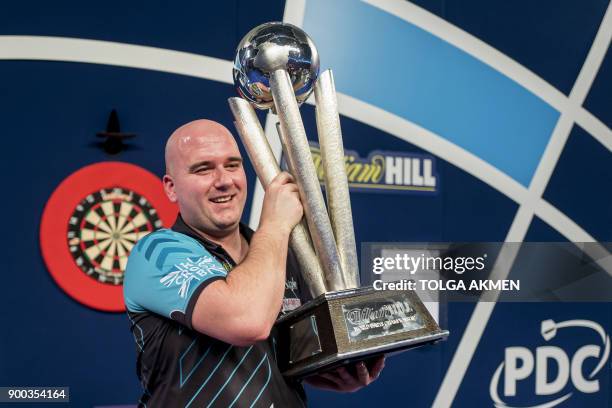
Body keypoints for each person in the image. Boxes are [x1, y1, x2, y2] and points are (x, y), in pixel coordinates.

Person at [123, 119, 384, 407]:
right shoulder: (157, 252)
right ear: (171, 188)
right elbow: (246, 322)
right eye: (203, 169)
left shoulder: (277, 251)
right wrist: (274, 224)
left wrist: (333, 367)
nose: (224, 180)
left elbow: (284, 353)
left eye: (233, 165)